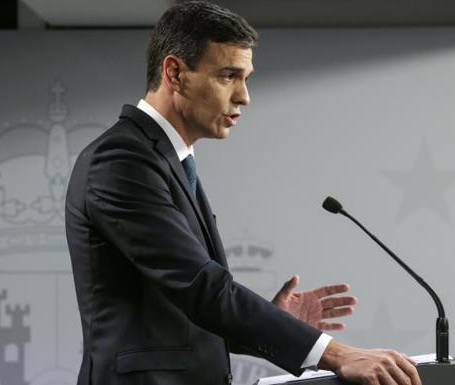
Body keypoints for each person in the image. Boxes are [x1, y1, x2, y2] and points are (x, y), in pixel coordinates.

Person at [65, 2, 422, 385]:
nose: (244, 96)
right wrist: (334, 353)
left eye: (246, 78)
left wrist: (275, 323)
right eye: (228, 76)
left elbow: (191, 313)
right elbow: (201, 287)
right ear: (175, 72)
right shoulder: (121, 160)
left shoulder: (167, 160)